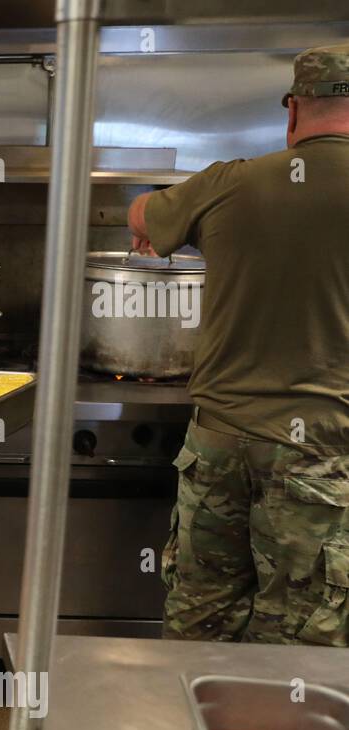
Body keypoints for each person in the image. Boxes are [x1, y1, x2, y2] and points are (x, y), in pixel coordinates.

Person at [127, 42, 349, 646]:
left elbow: (141, 214)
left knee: (202, 618)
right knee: (301, 641)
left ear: (292, 111)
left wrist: (180, 222)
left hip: (218, 443)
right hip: (321, 458)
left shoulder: (231, 180)